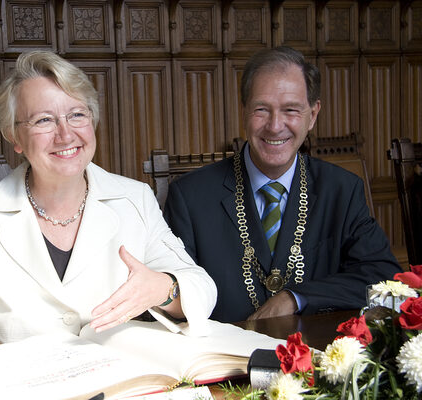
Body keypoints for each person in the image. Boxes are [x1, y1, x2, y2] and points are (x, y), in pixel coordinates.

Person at [0, 51, 217, 364]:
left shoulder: (135, 198)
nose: (65, 135)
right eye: (44, 120)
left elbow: (201, 287)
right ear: (15, 136)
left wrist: (165, 288)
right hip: (22, 385)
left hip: (120, 379)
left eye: (77, 114)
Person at [164, 46, 401, 323]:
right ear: (244, 112)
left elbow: (383, 278)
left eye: (291, 110)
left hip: (317, 356)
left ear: (312, 115)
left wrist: (296, 297)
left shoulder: (342, 190)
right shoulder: (190, 196)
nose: (275, 126)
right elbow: (171, 290)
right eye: (261, 110)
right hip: (224, 360)